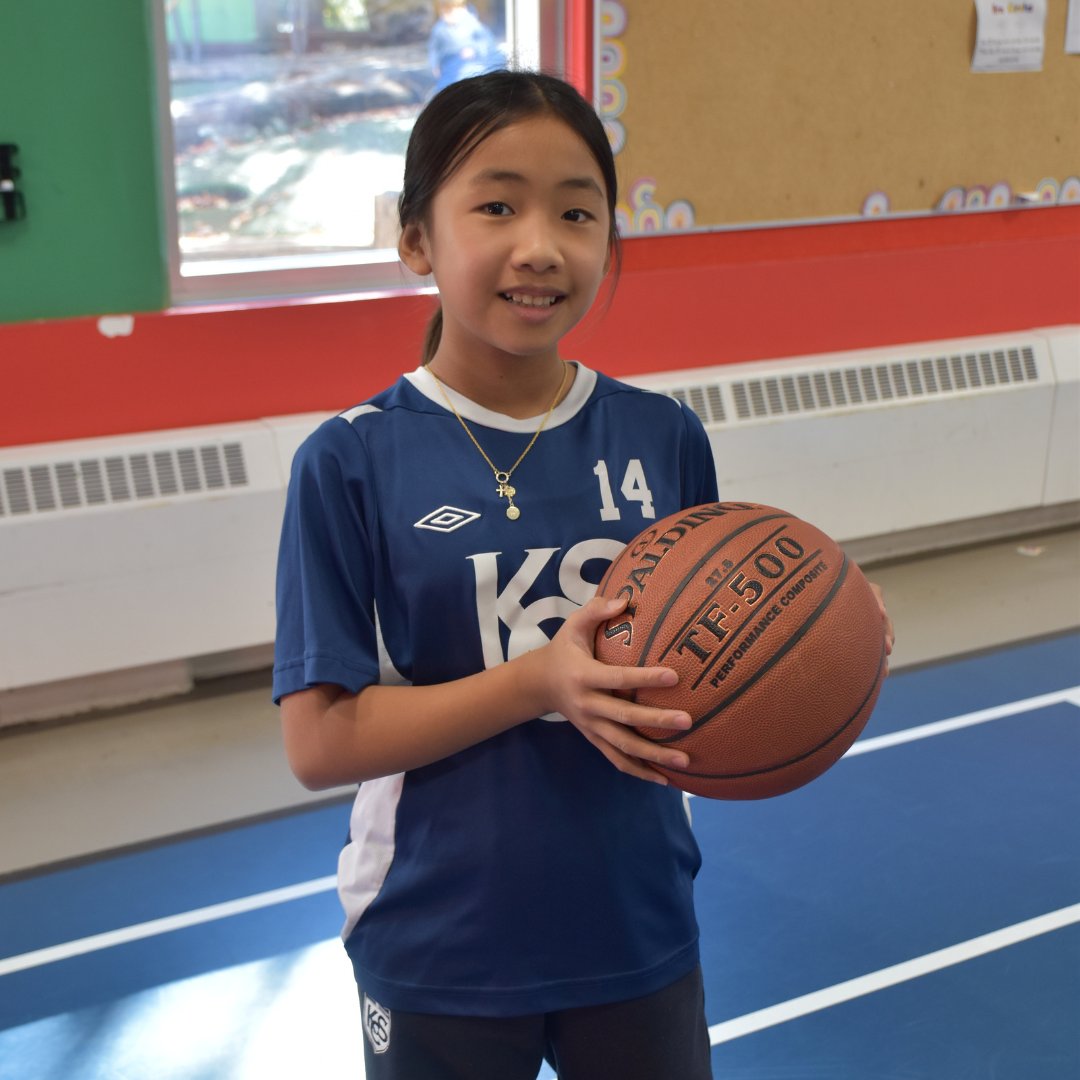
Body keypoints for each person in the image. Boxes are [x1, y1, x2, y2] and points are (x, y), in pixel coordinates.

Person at [273, 70, 893, 1079]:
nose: (541, 245)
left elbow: (718, 658)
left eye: (577, 211)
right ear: (417, 238)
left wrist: (834, 646)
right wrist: (538, 682)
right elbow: (319, 740)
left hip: (634, 924)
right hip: (442, 938)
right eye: (497, 205)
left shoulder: (662, 434)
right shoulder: (350, 461)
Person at [428, 0, 505, 94]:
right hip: (449, 67)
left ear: (463, 10)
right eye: (445, 12)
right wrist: (434, 65)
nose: (448, 16)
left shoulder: (473, 25)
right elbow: (434, 49)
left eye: (452, 11)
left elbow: (487, 43)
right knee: (446, 90)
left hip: (471, 65)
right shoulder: (439, 29)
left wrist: (474, 50)